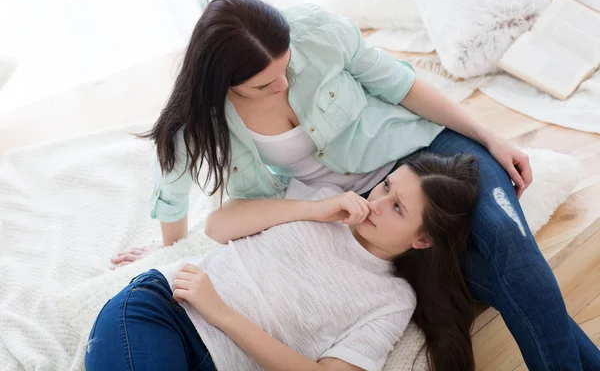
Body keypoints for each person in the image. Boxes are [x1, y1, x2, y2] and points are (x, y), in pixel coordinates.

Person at [110, 0, 600, 369]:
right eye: (264, 84)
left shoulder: (315, 33)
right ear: (222, 83)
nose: (284, 85)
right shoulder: (198, 125)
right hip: (368, 206)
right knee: (488, 277)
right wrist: (166, 252)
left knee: (508, 244)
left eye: (287, 68)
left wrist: (488, 135)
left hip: (427, 153)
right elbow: (174, 191)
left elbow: (401, 85)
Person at [89, 153, 479, 371]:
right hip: (168, 311)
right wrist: (314, 207)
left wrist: (223, 314)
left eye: (396, 207)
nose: (375, 203)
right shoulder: (326, 199)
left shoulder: (393, 299)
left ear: (422, 239)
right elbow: (219, 226)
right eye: (386, 185)